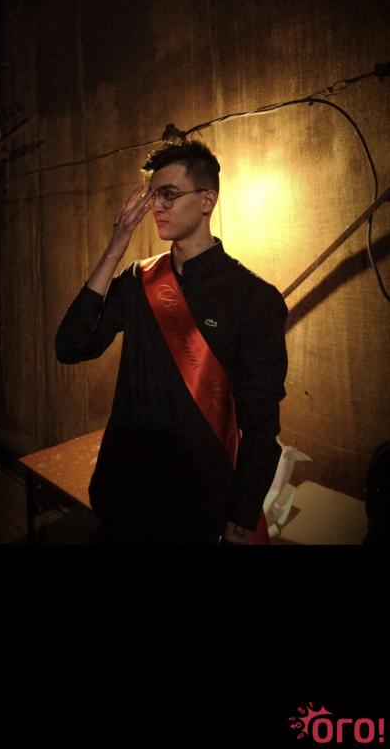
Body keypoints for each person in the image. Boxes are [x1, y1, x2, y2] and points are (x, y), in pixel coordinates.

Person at [55, 139, 288, 545]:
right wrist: (115, 247)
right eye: (153, 196)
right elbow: (71, 347)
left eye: (169, 194)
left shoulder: (255, 299)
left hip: (195, 507)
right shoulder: (138, 280)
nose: (156, 207)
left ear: (206, 200)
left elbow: (261, 428)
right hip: (122, 492)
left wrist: (239, 522)